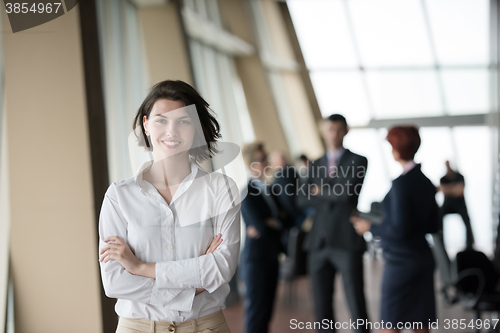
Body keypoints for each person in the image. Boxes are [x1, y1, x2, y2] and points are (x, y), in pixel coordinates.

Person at [98, 80, 241, 333]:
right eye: (161, 120)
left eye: (183, 121)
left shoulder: (220, 189)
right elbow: (115, 282)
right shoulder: (119, 196)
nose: (171, 131)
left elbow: (221, 268)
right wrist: (195, 283)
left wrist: (141, 268)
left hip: (206, 327)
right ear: (146, 125)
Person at [352, 126, 440, 333]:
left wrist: (370, 227)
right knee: (420, 324)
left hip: (401, 262)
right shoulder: (426, 182)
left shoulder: (401, 185)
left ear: (397, 149)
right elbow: (434, 225)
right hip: (423, 257)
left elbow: (399, 230)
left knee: (389, 324)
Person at [299, 114, 369, 333]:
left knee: (356, 303)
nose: (334, 134)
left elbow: (348, 194)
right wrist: (332, 191)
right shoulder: (315, 163)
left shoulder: (358, 160)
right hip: (318, 243)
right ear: (323, 132)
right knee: (322, 310)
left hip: (346, 240)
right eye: (330, 129)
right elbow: (301, 199)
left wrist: (319, 191)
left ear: (346, 131)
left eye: (339, 129)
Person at [241, 142, 286, 333]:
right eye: (262, 159)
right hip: (256, 259)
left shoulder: (271, 189)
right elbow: (261, 227)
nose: (266, 162)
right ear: (252, 164)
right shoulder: (246, 192)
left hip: (272, 255)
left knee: (267, 313)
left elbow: (286, 219)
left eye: (266, 157)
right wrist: (270, 223)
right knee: (256, 314)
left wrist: (270, 223)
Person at [438, 160, 474, 250]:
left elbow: (460, 190)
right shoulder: (443, 178)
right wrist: (454, 187)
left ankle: (469, 246)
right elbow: (442, 190)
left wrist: (448, 188)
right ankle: (440, 245)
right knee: (438, 218)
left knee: (467, 222)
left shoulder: (459, 176)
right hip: (448, 205)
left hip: (460, 205)